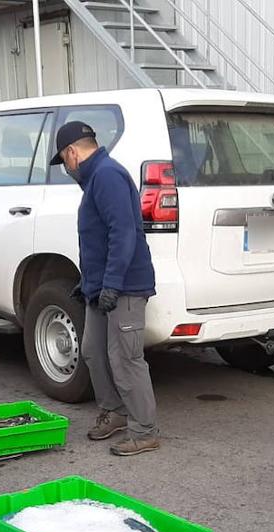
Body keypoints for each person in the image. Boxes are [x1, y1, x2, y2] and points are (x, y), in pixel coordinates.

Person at [48, 121, 160, 457]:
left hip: (124, 286)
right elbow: (98, 240)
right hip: (101, 287)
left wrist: (111, 284)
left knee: (125, 358)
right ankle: (115, 413)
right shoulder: (96, 179)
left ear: (72, 152)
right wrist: (89, 284)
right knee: (94, 352)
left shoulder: (107, 175)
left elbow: (122, 234)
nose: (66, 169)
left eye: (64, 162)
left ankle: (145, 430)